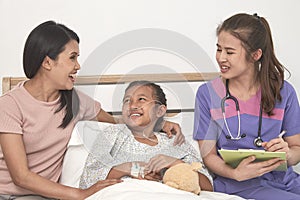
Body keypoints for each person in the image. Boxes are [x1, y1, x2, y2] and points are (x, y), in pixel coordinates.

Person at [0, 21, 184, 200]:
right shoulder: (10, 105)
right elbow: (21, 176)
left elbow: (116, 123)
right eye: (72, 57)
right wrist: (79, 194)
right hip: (10, 193)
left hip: (50, 194)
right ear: (48, 62)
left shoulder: (75, 100)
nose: (78, 66)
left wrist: (158, 123)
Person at [193, 13, 300, 200]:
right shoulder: (207, 94)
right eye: (219, 49)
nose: (221, 58)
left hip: (283, 179)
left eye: (230, 52)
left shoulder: (283, 91)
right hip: (238, 184)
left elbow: (296, 149)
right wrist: (235, 173)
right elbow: (208, 156)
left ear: (255, 55)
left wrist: (287, 153)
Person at [78, 80, 213, 192]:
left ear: (160, 110)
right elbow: (88, 180)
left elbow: (208, 187)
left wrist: (176, 164)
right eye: (127, 101)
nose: (133, 105)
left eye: (141, 99)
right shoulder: (113, 134)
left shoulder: (175, 141)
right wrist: (129, 167)